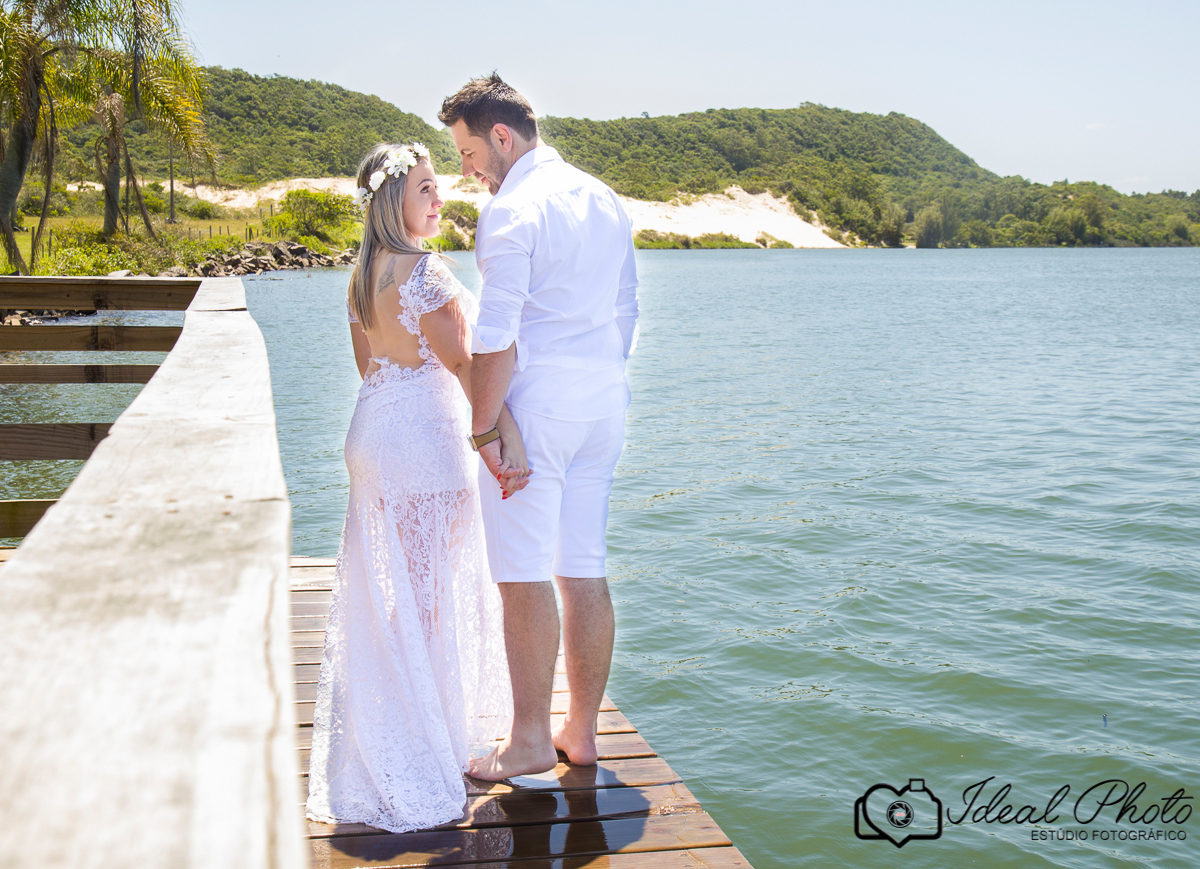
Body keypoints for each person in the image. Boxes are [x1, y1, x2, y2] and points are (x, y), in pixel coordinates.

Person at [305, 142, 526, 832]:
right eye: (425, 188)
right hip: (422, 446)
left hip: (373, 434)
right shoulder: (425, 273)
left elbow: (369, 368)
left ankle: (393, 724)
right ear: (392, 199)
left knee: (394, 588)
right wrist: (503, 438)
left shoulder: (360, 277)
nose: (439, 198)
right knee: (429, 595)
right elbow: (466, 368)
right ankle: (420, 738)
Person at [438, 75, 640, 781]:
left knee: (521, 575)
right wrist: (595, 376)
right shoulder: (603, 197)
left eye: (469, 153)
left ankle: (527, 740)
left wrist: (483, 430)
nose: (468, 170)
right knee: (583, 565)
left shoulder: (512, 210)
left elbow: (495, 336)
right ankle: (580, 732)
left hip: (539, 409)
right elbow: (627, 309)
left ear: (502, 136)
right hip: (603, 403)